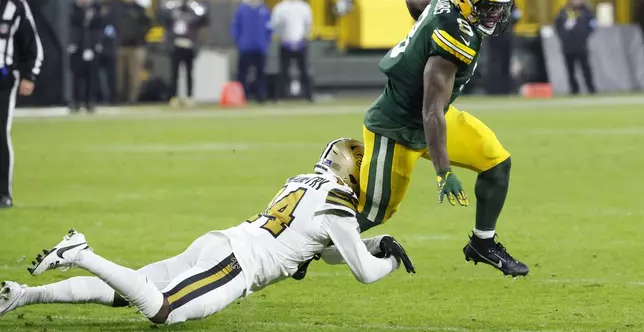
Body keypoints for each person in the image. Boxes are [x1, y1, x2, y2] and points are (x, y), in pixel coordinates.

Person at [0, 139, 415, 324]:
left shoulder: (301, 180)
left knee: (129, 290)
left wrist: (374, 242)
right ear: (354, 168)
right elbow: (363, 270)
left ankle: (22, 294)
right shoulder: (339, 204)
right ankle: (81, 252)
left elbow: (321, 246)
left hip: (219, 242)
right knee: (163, 311)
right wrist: (390, 259)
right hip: (235, 264)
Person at [355, 0, 528, 277]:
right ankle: (300, 247)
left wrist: (424, 33)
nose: (495, 13)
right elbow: (430, 111)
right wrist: (443, 171)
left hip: (434, 115)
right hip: (398, 127)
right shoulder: (455, 38)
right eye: (487, 5)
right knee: (371, 215)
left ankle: (483, 243)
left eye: (497, 5)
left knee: (496, 162)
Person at [0, 0, 43, 209]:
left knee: (0, 134)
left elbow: (33, 45)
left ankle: (3, 192)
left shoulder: (14, 6)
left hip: (2, 78)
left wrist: (30, 76)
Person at [159, 0, 208, 107]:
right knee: (174, 73)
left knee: (189, 73)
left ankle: (189, 96)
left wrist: (202, 0)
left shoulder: (194, 7)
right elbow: (163, 16)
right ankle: (173, 97)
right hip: (176, 44)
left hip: (189, 44)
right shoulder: (173, 7)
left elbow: (204, 17)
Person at [270, 0, 313, 102]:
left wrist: (304, 36)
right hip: (285, 42)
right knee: (283, 71)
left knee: (304, 70)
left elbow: (308, 24)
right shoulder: (280, 7)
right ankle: (278, 96)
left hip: (300, 42)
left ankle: (309, 96)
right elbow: (275, 24)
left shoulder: (303, 7)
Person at [230, 0, 271, 103]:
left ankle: (261, 97)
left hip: (260, 47)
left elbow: (269, 28)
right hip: (245, 47)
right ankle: (241, 97)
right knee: (242, 74)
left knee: (261, 73)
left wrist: (265, 42)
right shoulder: (242, 10)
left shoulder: (264, 10)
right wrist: (239, 41)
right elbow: (235, 27)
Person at [554, 0, 597, 95]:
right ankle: (574, 89)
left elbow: (592, 24)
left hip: (581, 45)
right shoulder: (564, 11)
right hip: (568, 45)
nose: (576, 0)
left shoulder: (586, 11)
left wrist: (585, 35)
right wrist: (563, 36)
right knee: (570, 69)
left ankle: (591, 88)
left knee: (585, 68)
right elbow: (557, 25)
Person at [68, 0, 103, 112]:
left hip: (92, 47)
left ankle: (90, 102)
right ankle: (76, 101)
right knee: (77, 76)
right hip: (77, 47)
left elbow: (97, 27)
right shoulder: (73, 9)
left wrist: (95, 45)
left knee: (91, 76)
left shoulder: (96, 9)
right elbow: (75, 25)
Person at [116, 0, 151, 104]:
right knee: (120, 75)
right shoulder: (118, 9)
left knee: (134, 76)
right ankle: (121, 98)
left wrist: (138, 37)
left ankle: (132, 100)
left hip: (137, 46)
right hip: (121, 46)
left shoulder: (140, 9)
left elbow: (147, 26)